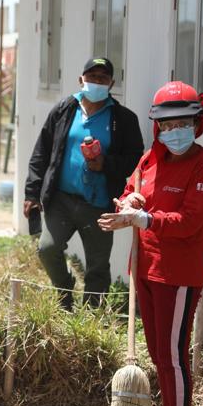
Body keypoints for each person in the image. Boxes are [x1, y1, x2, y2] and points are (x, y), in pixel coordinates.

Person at [98, 81, 203, 406]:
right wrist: (128, 201)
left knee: (172, 354)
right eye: (167, 125)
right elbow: (130, 193)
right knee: (157, 351)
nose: (174, 132)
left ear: (197, 122)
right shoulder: (151, 158)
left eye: (182, 123)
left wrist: (145, 218)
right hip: (145, 268)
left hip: (178, 273)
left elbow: (188, 221)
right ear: (157, 127)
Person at [23, 57, 144, 309]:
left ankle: (91, 317)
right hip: (62, 200)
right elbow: (42, 152)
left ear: (111, 83)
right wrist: (32, 192)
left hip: (100, 205)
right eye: (92, 77)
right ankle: (64, 294)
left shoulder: (123, 119)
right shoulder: (64, 110)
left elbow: (135, 159)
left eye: (103, 78)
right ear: (81, 80)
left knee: (98, 266)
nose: (97, 82)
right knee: (47, 249)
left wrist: (105, 164)